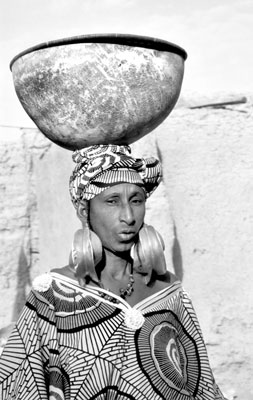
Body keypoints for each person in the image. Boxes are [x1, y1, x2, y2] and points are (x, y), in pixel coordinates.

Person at [0, 144, 226, 399]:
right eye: (112, 201)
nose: (128, 216)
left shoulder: (170, 294)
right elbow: (17, 386)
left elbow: (202, 387)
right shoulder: (52, 296)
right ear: (84, 211)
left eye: (136, 200)